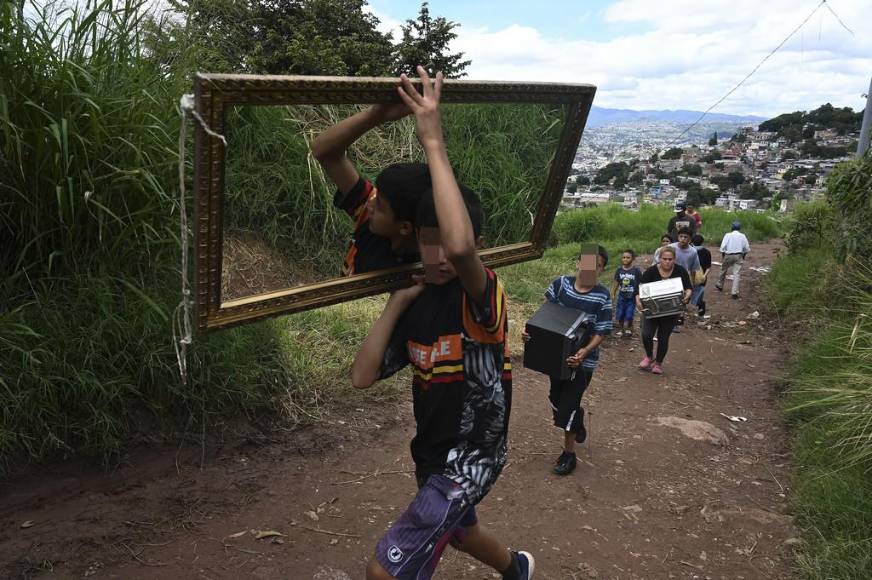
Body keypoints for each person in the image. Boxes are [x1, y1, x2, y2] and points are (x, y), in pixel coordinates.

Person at [351, 67, 534, 580]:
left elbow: (458, 247)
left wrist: (432, 136)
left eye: (449, 243)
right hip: (431, 454)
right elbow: (361, 377)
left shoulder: (481, 297)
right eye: (426, 242)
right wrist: (396, 301)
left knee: (384, 572)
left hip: (470, 460)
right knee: (460, 530)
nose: (440, 254)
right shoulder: (415, 300)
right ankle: (516, 568)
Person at [523, 244, 612, 476]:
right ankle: (577, 420)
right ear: (578, 263)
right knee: (555, 399)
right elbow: (545, 316)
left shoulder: (602, 295)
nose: (591, 269)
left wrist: (584, 353)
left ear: (602, 270)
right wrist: (530, 333)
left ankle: (568, 454)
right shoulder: (560, 285)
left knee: (567, 407)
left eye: (598, 266)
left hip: (582, 363)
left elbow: (600, 332)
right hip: (555, 358)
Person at [311, 101, 424, 276]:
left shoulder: (433, 264)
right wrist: (375, 115)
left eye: (379, 204)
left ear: (405, 227)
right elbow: (324, 152)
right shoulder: (370, 213)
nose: (370, 202)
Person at [636, 246, 693, 375]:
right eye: (664, 259)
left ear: (674, 259)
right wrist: (638, 301)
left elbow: (688, 288)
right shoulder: (651, 271)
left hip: (671, 312)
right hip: (652, 310)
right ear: (659, 259)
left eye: (670, 259)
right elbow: (640, 288)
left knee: (663, 337)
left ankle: (658, 363)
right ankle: (649, 356)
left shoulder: (680, 271)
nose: (667, 262)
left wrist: (687, 296)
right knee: (646, 335)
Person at [716, 220, 751, 299]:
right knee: (736, 274)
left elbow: (722, 247)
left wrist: (723, 256)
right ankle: (734, 292)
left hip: (728, 255)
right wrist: (743, 256)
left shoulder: (728, 235)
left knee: (723, 270)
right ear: (739, 228)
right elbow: (746, 248)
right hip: (739, 255)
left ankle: (720, 284)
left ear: (732, 227)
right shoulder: (743, 236)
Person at [612, 249, 642, 337]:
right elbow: (616, 282)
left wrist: (639, 295)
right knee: (620, 314)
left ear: (633, 259)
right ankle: (621, 329)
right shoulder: (619, 270)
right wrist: (613, 293)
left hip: (632, 297)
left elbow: (641, 283)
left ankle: (629, 327)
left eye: (628, 258)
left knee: (629, 314)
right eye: (624, 257)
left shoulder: (636, 271)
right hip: (622, 296)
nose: (625, 259)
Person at [691, 234, 712, 317]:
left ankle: (680, 315)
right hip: (701, 278)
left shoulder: (690, 251)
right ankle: (701, 314)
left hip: (690, 276)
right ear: (702, 242)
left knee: (686, 294)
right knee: (699, 296)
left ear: (692, 242)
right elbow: (708, 267)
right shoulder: (707, 252)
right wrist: (704, 275)